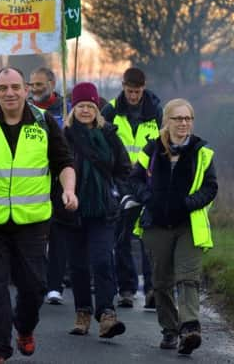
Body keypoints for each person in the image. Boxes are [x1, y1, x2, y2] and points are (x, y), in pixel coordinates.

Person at [0, 67, 77, 363]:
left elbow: (64, 163)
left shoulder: (44, 122)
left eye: (15, 87)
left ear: (25, 90)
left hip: (32, 222)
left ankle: (24, 328)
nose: (10, 93)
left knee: (33, 287)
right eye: (3, 88)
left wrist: (69, 190)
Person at [129, 98, 217, 355]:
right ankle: (169, 329)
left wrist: (188, 204)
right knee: (161, 281)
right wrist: (149, 199)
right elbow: (134, 179)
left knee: (188, 277)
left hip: (189, 224)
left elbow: (211, 187)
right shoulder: (152, 150)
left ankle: (190, 329)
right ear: (166, 121)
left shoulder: (202, 152)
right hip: (156, 224)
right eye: (178, 118)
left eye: (188, 118)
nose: (183, 123)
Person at [53, 82, 131, 338]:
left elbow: (124, 169)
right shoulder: (63, 136)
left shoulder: (110, 136)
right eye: (80, 106)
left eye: (90, 105)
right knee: (78, 265)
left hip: (103, 211)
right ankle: (83, 312)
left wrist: (116, 193)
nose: (85, 110)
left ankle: (107, 313)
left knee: (101, 260)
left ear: (97, 108)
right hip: (71, 210)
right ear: (72, 109)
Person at [101, 67, 162, 309]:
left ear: (143, 88)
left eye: (137, 92)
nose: (133, 96)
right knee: (122, 236)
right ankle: (126, 289)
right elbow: (101, 141)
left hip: (149, 184)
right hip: (120, 182)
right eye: (129, 91)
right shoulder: (112, 111)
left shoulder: (157, 112)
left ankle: (151, 289)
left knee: (148, 237)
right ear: (123, 86)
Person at [27, 66, 71, 305]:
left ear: (52, 84)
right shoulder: (25, 111)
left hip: (59, 180)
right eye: (31, 85)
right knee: (35, 236)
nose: (34, 89)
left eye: (39, 85)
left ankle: (55, 285)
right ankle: (39, 280)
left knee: (58, 235)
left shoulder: (66, 109)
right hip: (32, 182)